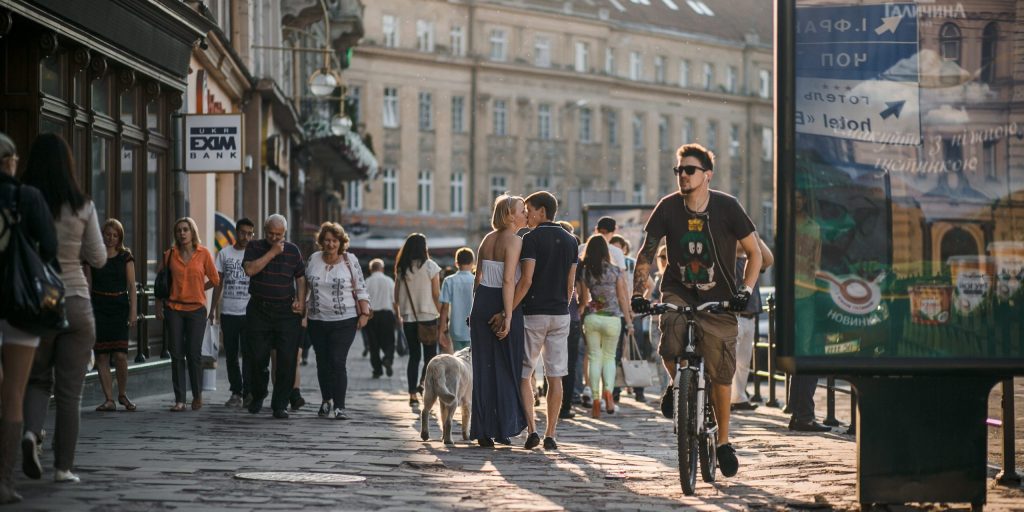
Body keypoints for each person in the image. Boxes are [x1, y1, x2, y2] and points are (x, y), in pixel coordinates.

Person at [631, 142, 763, 479]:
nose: (682, 176)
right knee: (670, 341)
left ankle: (722, 442)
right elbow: (647, 253)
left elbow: (754, 253)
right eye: (678, 170)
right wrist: (638, 293)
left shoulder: (727, 207)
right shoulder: (668, 207)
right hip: (678, 290)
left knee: (720, 370)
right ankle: (679, 386)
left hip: (720, 297)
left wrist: (744, 291)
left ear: (706, 175)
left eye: (689, 170)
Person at [20, 133, 107, 484]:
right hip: (75, 301)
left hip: (39, 300)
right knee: (71, 392)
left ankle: (30, 434)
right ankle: (63, 468)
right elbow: (100, 258)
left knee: (37, 379)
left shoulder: (24, 202)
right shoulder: (83, 204)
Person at [0, 132, 56, 503]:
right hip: (19, 305)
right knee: (13, 395)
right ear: (9, 161)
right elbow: (49, 249)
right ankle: (3, 482)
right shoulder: (28, 197)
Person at [512, 191, 578, 450]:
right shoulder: (571, 240)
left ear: (541, 211)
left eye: (529, 209)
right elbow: (570, 283)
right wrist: (563, 302)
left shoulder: (531, 239)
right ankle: (551, 434)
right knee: (555, 375)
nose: (527, 215)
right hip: (561, 313)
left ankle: (532, 430)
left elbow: (526, 280)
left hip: (534, 313)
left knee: (525, 373)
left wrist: (509, 310)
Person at [470, 194, 528, 447]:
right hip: (499, 300)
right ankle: (503, 427)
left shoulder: (486, 239)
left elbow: (477, 278)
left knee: (483, 368)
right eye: (521, 210)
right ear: (509, 215)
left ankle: (483, 429)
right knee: (506, 367)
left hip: (482, 301)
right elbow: (507, 281)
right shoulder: (514, 241)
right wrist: (508, 314)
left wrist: (474, 308)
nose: (525, 213)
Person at [305, 222, 370, 420]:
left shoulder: (350, 260)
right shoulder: (314, 259)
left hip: (345, 319)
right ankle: (326, 401)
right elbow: (304, 285)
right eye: (326, 240)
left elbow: (360, 286)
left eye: (334, 241)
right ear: (321, 241)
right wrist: (301, 309)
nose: (330, 244)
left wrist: (365, 313)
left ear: (341, 242)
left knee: (337, 360)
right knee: (322, 362)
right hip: (317, 319)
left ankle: (339, 406)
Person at [242, 214, 306, 419]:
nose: (274, 237)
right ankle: (259, 394)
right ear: (264, 230)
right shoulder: (254, 247)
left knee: (287, 359)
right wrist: (272, 252)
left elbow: (301, 278)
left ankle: (280, 404)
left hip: (286, 312)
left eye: (279, 234)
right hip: (259, 310)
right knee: (257, 357)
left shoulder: (294, 251)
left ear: (285, 233)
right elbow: (250, 270)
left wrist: (301, 302)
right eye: (271, 233)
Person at [156, 217, 220, 412]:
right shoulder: (169, 255)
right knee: (176, 355)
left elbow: (216, 280)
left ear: (192, 232)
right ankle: (180, 399)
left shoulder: (204, 254)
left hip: (196, 310)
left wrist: (200, 287)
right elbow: (160, 283)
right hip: (174, 309)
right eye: (179, 230)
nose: (182, 233)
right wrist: (159, 305)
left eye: (186, 230)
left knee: (193, 354)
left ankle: (197, 395)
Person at [787, 189, 831, 432]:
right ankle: (802, 413)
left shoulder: (814, 228)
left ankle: (801, 412)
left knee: (806, 353)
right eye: (795, 195)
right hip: (794, 294)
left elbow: (817, 261)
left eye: (802, 195)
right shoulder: (787, 225)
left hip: (808, 293)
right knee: (804, 355)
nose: (798, 199)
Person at [577, 235, 633, 418]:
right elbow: (623, 297)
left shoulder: (585, 271)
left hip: (592, 318)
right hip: (612, 319)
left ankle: (595, 400)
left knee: (594, 358)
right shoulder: (615, 271)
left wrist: (580, 311)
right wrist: (629, 321)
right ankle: (608, 392)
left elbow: (584, 300)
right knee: (609, 358)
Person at [90, 219, 138, 412]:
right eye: (107, 234)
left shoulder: (125, 257)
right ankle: (109, 399)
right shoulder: (94, 257)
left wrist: (133, 311)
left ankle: (122, 393)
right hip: (98, 307)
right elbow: (88, 284)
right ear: (102, 235)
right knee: (101, 355)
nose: (110, 238)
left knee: (120, 355)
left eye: (114, 235)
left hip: (119, 307)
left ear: (120, 238)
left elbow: (132, 286)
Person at [209, 217, 255, 408]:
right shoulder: (224, 254)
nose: (246, 236)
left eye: (249, 233)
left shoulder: (256, 254)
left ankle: (248, 391)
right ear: (236, 232)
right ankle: (236, 392)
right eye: (243, 232)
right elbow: (218, 284)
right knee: (230, 354)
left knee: (249, 354)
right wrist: (212, 310)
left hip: (250, 313)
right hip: (228, 312)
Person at [394, 233, 443, 408]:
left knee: (413, 357)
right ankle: (423, 383)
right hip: (428, 317)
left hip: (409, 318)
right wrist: (442, 315)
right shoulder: (431, 266)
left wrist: (401, 314)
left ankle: (412, 394)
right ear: (424, 247)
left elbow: (396, 297)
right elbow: (437, 294)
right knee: (430, 356)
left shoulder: (402, 269)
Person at [731, 237, 774, 412]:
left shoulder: (753, 260)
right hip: (734, 316)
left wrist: (755, 236)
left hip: (750, 317)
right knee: (730, 361)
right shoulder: (729, 258)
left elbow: (769, 259)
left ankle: (738, 397)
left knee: (744, 362)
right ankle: (725, 398)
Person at [610, 234, 645, 403]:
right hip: (616, 313)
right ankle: (615, 391)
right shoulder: (609, 266)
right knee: (615, 353)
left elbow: (649, 284)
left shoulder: (632, 264)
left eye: (619, 248)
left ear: (624, 248)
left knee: (635, 352)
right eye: (613, 248)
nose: (617, 251)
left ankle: (639, 391)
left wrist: (636, 301)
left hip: (632, 313)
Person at [557, 222, 581, 420]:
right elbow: (582, 293)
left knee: (553, 363)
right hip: (571, 317)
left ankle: (553, 404)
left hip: (553, 313)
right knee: (570, 364)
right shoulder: (575, 260)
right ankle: (565, 407)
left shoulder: (548, 256)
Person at [363, 258, 396, 378]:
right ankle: (387, 358)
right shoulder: (389, 281)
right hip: (387, 314)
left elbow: (363, 300)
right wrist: (398, 316)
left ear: (371, 269)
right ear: (382, 268)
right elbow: (394, 301)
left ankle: (377, 370)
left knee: (373, 344)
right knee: (389, 341)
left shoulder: (367, 281)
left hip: (371, 315)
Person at [440, 247, 475, 352]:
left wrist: (441, 330)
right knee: (472, 360)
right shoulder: (476, 280)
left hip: (455, 328)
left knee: (458, 359)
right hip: (473, 328)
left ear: (456, 263)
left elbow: (444, 308)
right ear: (472, 262)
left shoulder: (448, 281)